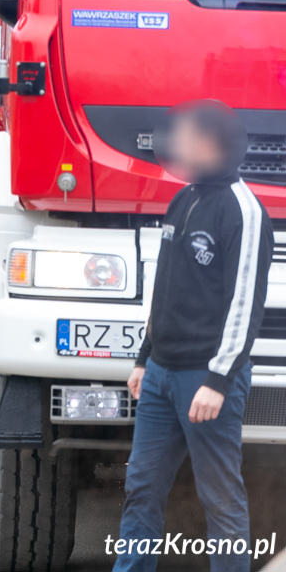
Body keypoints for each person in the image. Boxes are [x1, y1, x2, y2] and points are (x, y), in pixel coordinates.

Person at [113, 100, 273, 572]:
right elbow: (165, 289)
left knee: (220, 498)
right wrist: (145, 358)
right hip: (161, 374)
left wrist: (219, 380)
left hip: (205, 378)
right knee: (141, 485)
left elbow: (245, 305)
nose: (175, 146)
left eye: (186, 138)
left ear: (211, 144)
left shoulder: (243, 210)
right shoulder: (185, 198)